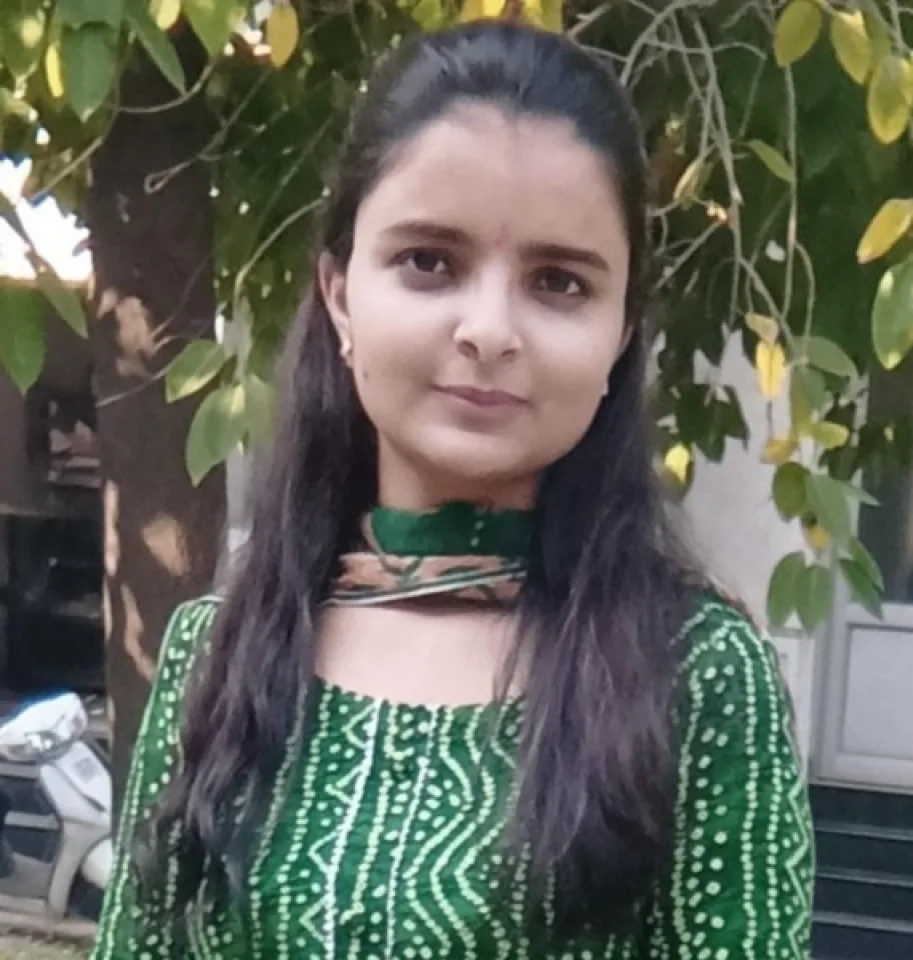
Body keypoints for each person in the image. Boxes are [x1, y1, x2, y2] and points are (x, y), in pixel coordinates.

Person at [91, 18, 814, 960]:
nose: (489, 329)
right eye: (429, 262)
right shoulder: (218, 653)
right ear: (341, 294)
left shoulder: (695, 675)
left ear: (621, 332)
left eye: (558, 282)